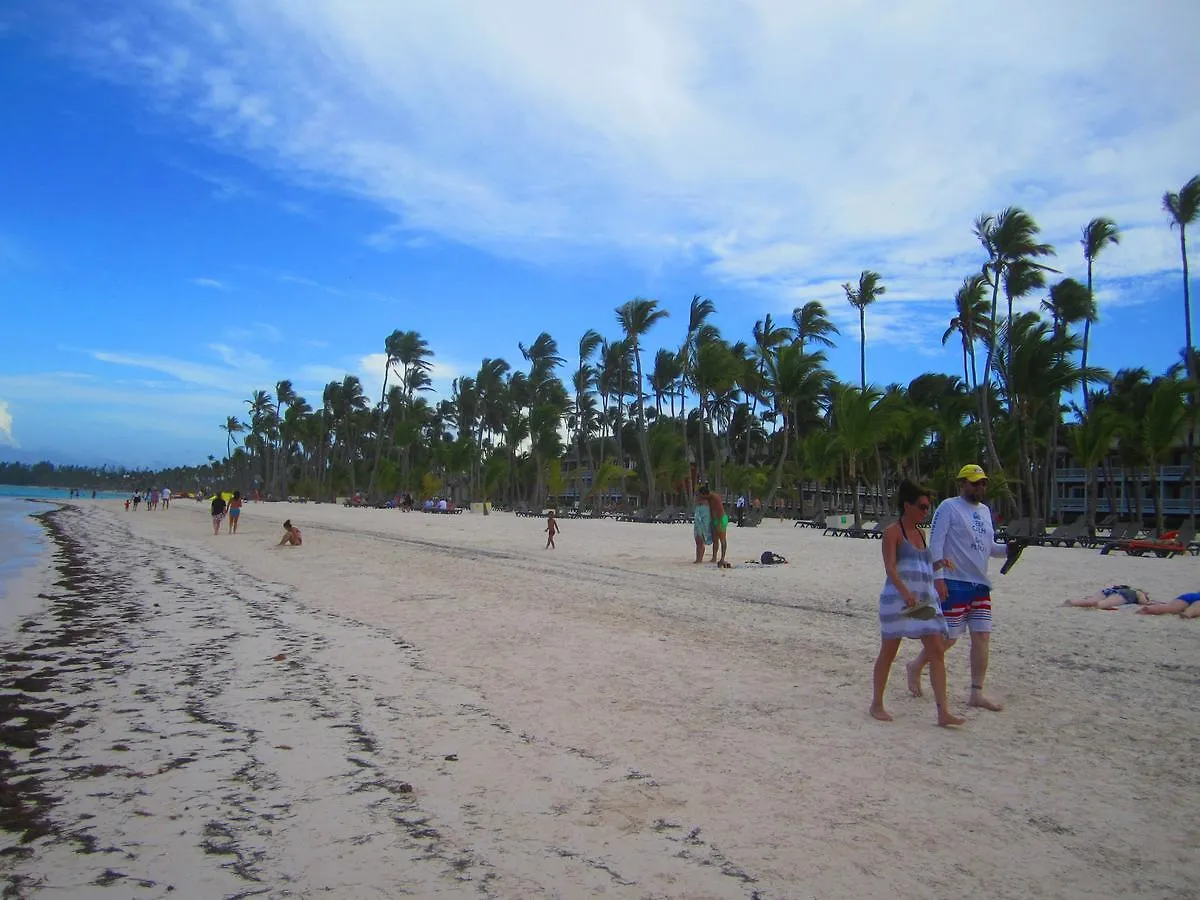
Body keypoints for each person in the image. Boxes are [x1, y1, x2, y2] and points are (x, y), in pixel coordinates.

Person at [906, 464, 1007, 712]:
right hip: (954, 582)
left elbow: (989, 547)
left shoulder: (985, 511)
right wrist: (938, 578)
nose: (980, 487)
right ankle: (917, 665)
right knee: (949, 637)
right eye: (974, 483)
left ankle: (976, 692)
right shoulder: (948, 507)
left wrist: (1010, 550)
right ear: (962, 483)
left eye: (983, 483)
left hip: (980, 584)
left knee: (982, 636)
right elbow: (936, 544)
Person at [871, 480, 964, 727]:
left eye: (927, 507)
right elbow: (890, 567)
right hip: (898, 601)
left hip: (922, 601)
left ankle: (943, 712)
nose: (926, 512)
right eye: (922, 507)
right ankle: (876, 704)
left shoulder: (922, 535)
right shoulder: (893, 532)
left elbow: (922, 568)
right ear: (907, 505)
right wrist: (905, 593)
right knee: (889, 652)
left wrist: (940, 565)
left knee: (936, 649)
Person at [1064, 585, 1152, 609]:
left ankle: (1072, 602)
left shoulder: (1127, 589)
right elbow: (1143, 602)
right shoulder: (1139, 593)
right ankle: (1075, 603)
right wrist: (1150, 602)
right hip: (1123, 595)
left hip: (1108, 590)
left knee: (1092, 600)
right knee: (1100, 605)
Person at [707, 488, 730, 567]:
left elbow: (720, 510)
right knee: (715, 539)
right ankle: (714, 557)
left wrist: (719, 523)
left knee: (722, 539)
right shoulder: (709, 498)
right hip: (716, 519)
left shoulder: (715, 497)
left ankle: (722, 557)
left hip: (721, 519)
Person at [1136, 593, 1200, 618]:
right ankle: (1188, 613)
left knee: (1170, 607)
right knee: (1197, 606)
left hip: (1191, 595)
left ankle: (1149, 609)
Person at [693, 486, 713, 563]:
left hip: (704, 519)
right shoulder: (700, 500)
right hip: (699, 518)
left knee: (700, 540)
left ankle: (699, 559)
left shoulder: (707, 501)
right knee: (698, 540)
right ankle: (698, 558)